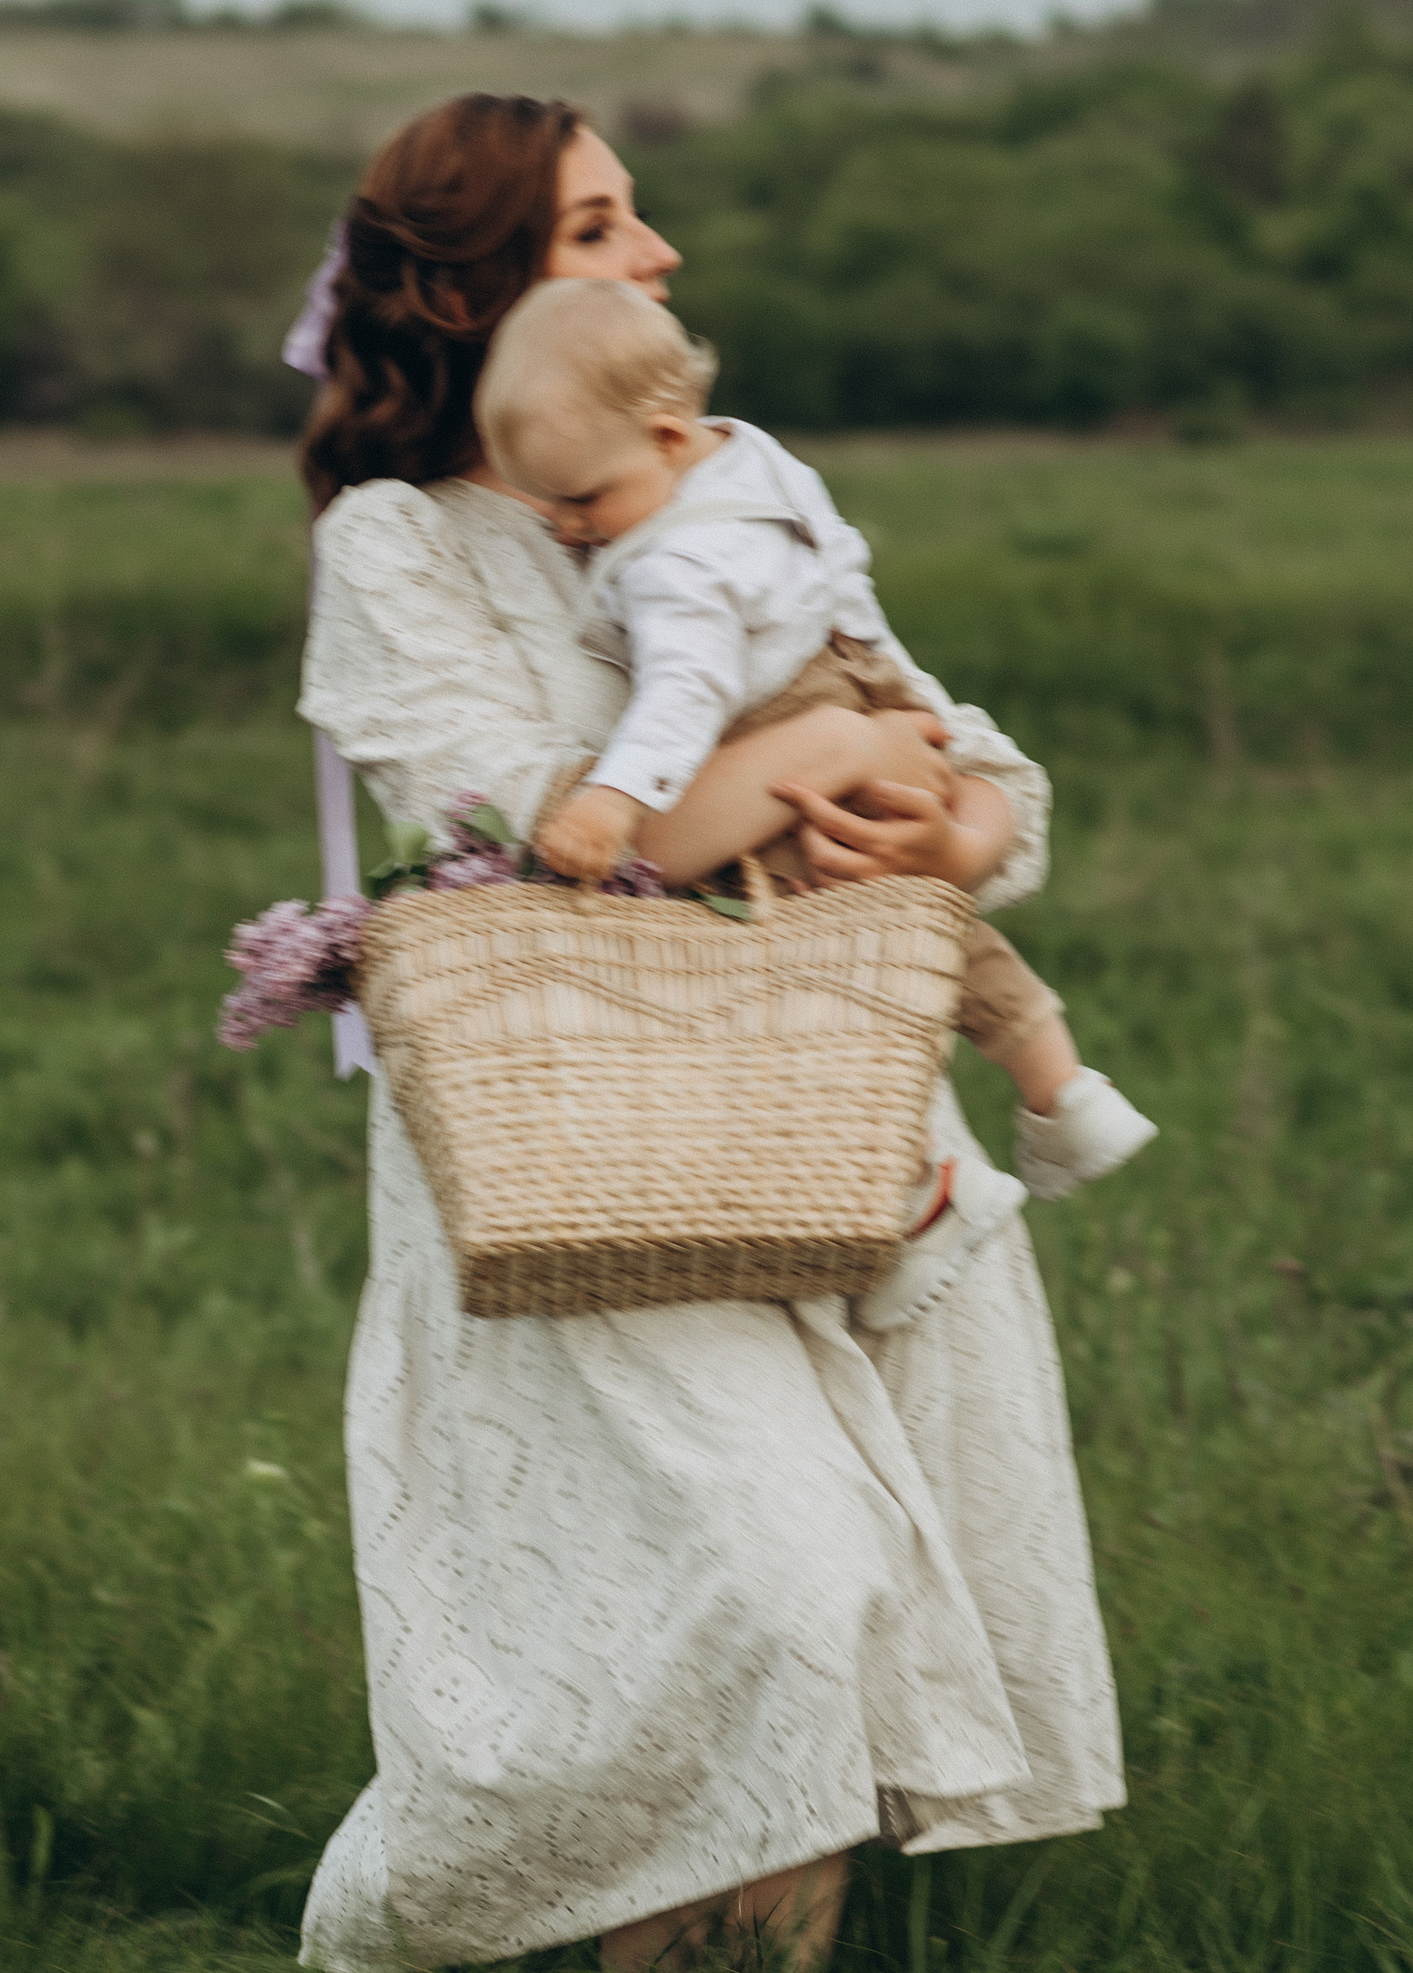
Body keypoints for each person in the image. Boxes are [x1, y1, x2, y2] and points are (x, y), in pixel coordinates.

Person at [290, 91, 1122, 1973]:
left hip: (823, 1102)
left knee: (855, 1584)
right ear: (474, 288)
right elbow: (555, 832)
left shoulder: (723, 476)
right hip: (568, 1134)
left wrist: (948, 830)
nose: (657, 252)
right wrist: (822, 754)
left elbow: (964, 753)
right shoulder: (399, 547)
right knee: (767, 1571)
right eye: (600, 226)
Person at [474, 275, 1155, 1328]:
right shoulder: (749, 455)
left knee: (819, 965)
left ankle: (922, 1195)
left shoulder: (672, 565)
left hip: (784, 737)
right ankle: (1061, 1088)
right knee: (918, 921)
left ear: (665, 438)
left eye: (583, 502)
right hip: (857, 677)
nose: (566, 528)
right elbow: (841, 566)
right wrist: (883, 691)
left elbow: (684, 695)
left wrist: (613, 798)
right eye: (547, 506)